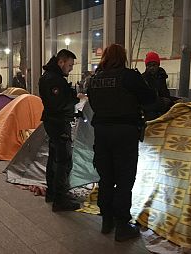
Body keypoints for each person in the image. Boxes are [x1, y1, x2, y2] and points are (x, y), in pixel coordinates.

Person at [87, 44, 156, 242]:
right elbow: (149, 99)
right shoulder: (129, 76)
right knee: (124, 180)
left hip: (101, 133)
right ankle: (122, 225)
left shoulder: (94, 79)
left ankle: (106, 220)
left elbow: (93, 104)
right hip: (125, 133)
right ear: (122, 57)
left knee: (106, 178)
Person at [39, 49, 84, 212]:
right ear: (61, 62)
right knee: (63, 160)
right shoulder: (54, 79)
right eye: (70, 65)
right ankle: (60, 198)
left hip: (54, 122)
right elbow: (58, 104)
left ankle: (53, 193)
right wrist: (73, 99)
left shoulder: (51, 76)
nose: (71, 68)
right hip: (58, 123)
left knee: (54, 158)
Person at [142, 51, 174, 120]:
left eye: (154, 65)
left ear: (158, 65)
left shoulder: (161, 78)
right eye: (149, 65)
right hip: (150, 113)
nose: (151, 68)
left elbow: (165, 95)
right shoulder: (143, 80)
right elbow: (145, 101)